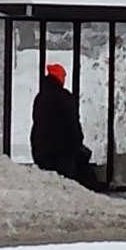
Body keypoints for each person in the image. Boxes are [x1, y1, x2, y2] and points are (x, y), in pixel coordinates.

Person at [30, 63, 100, 191]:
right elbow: (72, 124)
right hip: (61, 153)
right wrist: (78, 143)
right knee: (75, 181)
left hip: (41, 151)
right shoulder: (64, 98)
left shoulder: (40, 98)